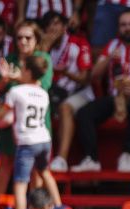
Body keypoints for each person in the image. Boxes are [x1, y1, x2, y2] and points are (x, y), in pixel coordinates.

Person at [71, 9, 130, 172]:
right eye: (123, 25)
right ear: (118, 28)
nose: (127, 28)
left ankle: (129, 154)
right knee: (84, 114)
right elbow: (95, 75)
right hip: (115, 97)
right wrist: (110, 58)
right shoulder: (112, 46)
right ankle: (91, 159)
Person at [0, 54, 60, 209]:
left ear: (28, 71)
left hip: (27, 142)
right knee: (45, 173)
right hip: (44, 140)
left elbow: (0, 114)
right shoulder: (43, 93)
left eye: (23, 69)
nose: (20, 71)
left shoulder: (16, 91)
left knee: (20, 183)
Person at [0, 20, 53, 195]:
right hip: (10, 119)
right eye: (19, 37)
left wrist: (17, 77)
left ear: (36, 39)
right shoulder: (9, 59)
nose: (23, 41)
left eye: (28, 37)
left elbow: (44, 84)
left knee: (37, 168)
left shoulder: (43, 59)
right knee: (5, 162)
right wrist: (3, 80)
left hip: (35, 122)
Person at [41, 10, 91, 173]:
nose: (53, 28)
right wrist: (45, 49)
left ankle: (61, 159)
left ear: (64, 27)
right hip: (53, 94)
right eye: (49, 25)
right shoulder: (43, 47)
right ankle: (43, 158)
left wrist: (65, 72)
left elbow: (85, 79)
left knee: (65, 107)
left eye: (56, 23)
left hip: (80, 92)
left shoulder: (79, 43)